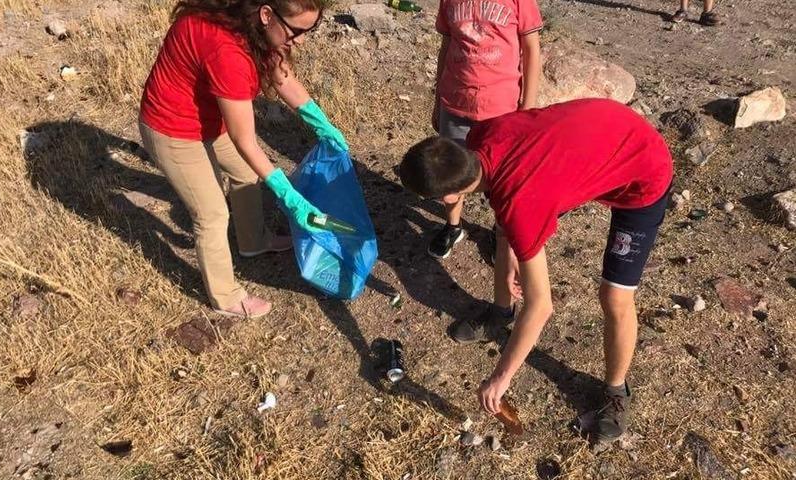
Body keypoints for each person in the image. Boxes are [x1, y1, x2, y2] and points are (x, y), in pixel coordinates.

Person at [399, 98, 673, 443]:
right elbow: (509, 212)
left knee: (615, 297)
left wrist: (502, 377)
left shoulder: (521, 200)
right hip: (600, 134)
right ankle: (500, 313)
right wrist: (515, 248)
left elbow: (541, 306)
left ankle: (616, 392)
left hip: (641, 171)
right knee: (505, 231)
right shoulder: (483, 136)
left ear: (449, 197)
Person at [139, 0, 348, 319]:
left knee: (246, 174)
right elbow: (245, 141)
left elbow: (282, 78)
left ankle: (253, 240)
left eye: (311, 29)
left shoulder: (254, 26)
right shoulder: (228, 52)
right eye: (298, 31)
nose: (302, 40)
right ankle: (225, 296)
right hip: (172, 127)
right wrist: (288, 194)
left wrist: (322, 124)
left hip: (209, 118)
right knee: (211, 214)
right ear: (267, 14)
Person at [428, 0, 543, 261]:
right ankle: (453, 226)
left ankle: (500, 231)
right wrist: (438, 101)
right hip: (455, 102)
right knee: (451, 173)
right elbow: (446, 46)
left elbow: (531, 48)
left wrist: (528, 108)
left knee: (503, 180)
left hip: (501, 109)